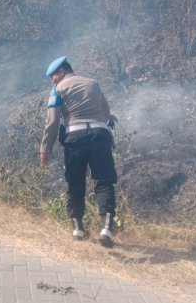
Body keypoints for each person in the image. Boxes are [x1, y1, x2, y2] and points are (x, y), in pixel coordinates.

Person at [39, 56, 119, 248]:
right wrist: (110, 118)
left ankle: (78, 228)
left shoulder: (57, 90)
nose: (53, 80)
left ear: (62, 72)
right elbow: (105, 110)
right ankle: (106, 228)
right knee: (104, 181)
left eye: (54, 76)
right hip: (100, 135)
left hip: (76, 138)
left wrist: (45, 148)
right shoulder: (93, 83)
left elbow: (53, 122)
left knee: (75, 181)